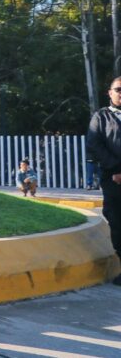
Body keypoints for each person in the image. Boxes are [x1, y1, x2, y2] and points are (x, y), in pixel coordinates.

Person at [86, 75, 121, 286]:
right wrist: (116, 170)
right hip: (113, 179)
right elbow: (94, 145)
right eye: (118, 89)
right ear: (110, 93)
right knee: (117, 222)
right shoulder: (100, 117)